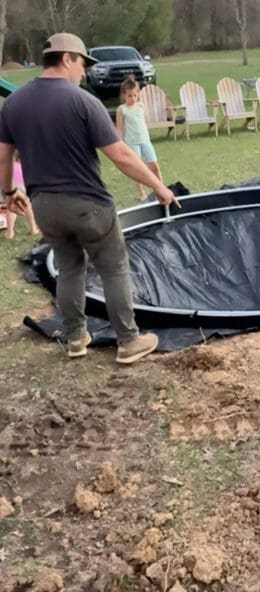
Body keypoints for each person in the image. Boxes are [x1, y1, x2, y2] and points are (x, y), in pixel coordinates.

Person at [0, 32, 179, 364]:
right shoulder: (83, 101)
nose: (83, 72)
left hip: (45, 207)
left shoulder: (14, 103)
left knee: (69, 269)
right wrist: (158, 186)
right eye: (82, 64)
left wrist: (10, 193)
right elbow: (122, 156)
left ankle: (75, 339)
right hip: (88, 205)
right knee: (113, 268)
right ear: (67, 58)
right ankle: (128, 341)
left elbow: (3, 157)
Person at [116, 76, 162, 201]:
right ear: (124, 95)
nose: (132, 98)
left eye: (135, 95)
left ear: (138, 95)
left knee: (154, 166)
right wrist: (121, 143)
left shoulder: (141, 106)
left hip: (145, 141)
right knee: (139, 169)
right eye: (129, 96)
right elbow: (119, 128)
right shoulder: (121, 110)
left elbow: (142, 123)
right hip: (132, 143)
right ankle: (142, 192)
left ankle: (160, 187)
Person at [5, 151, 39, 239]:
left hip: (9, 177)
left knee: (11, 205)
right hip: (20, 174)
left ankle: (10, 232)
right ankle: (33, 228)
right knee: (26, 203)